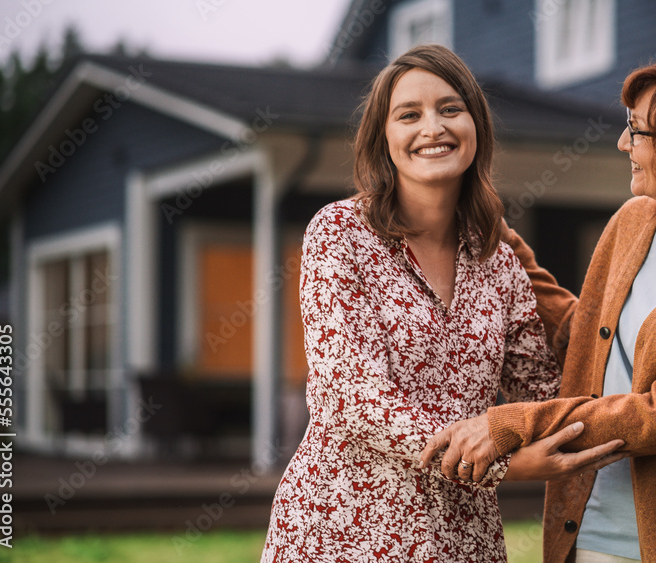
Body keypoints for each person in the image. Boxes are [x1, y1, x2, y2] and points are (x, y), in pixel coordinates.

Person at [420, 59, 656, 562]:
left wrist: (509, 424)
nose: (624, 144)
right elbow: (582, 339)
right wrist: (488, 228)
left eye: (638, 131)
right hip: (592, 531)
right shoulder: (636, 221)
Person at [260, 44, 623, 563]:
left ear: (477, 126)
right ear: (384, 139)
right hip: (342, 526)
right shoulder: (340, 234)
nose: (433, 127)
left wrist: (644, 378)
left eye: (450, 109)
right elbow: (351, 396)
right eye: (409, 114)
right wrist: (505, 465)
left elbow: (542, 389)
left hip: (460, 535)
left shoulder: (496, 258)